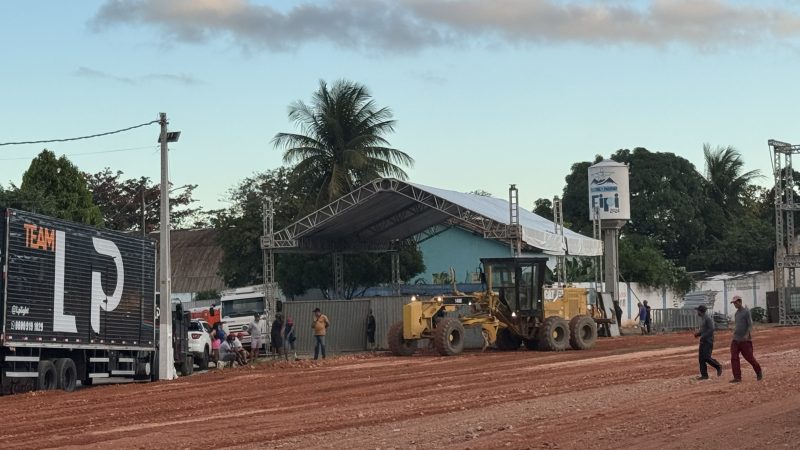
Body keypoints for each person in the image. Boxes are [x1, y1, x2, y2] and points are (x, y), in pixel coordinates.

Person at [730, 296, 763, 383]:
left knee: (749, 358)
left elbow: (750, 325)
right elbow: (738, 325)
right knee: (734, 358)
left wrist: (746, 334)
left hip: (745, 341)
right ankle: (737, 377)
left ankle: (758, 371)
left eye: (735, 303)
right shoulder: (736, 314)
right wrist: (734, 332)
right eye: (733, 303)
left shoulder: (746, 312)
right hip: (735, 339)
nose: (735, 305)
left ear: (740, 302)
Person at [693, 305, 722, 380]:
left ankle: (718, 366)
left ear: (700, 311)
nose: (697, 312)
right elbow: (704, 330)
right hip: (703, 341)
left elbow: (711, 329)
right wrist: (698, 334)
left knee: (706, 357)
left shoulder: (708, 318)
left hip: (708, 341)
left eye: (698, 311)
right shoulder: (703, 318)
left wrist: (703, 336)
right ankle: (704, 375)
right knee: (701, 359)